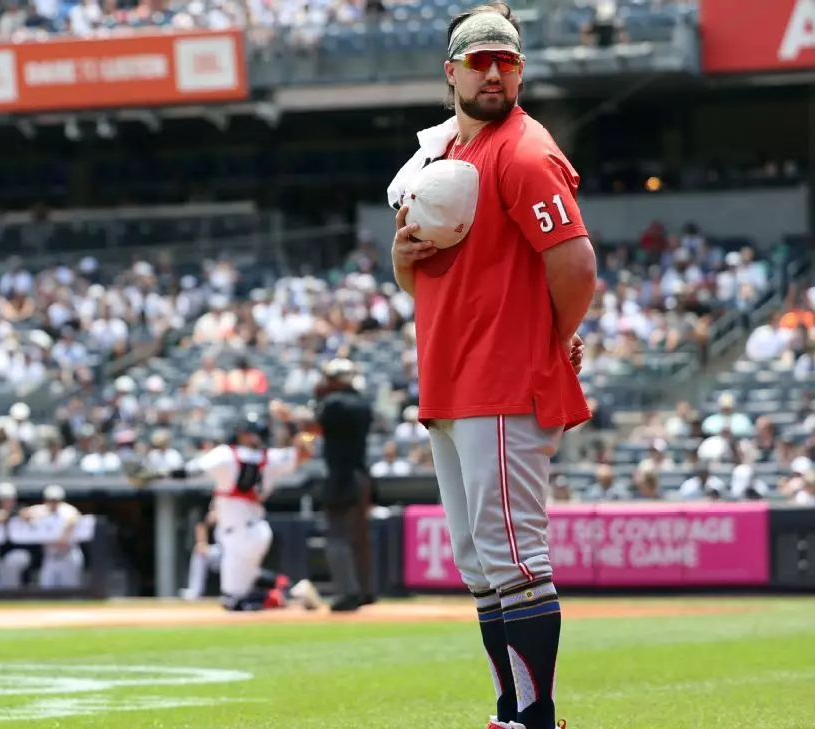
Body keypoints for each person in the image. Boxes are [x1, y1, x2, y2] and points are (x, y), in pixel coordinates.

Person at [386, 4, 595, 729]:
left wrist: (553, 336)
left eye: (506, 61)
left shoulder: (523, 151)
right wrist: (400, 260)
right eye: (480, 61)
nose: (494, 72)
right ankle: (511, 713)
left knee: (515, 560)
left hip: (502, 380)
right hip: (451, 379)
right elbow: (426, 280)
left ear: (521, 70)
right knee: (483, 568)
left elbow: (576, 263)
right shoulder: (445, 155)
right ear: (451, 72)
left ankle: (537, 720)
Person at [129, 416, 323, 612]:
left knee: (234, 601)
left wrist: (157, 474)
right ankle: (293, 588)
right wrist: (293, 426)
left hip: (238, 532)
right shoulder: (271, 458)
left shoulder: (226, 455)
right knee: (249, 577)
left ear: (248, 435)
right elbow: (305, 452)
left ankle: (287, 598)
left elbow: (190, 471)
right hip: (255, 529)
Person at [311, 358, 376, 612]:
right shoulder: (362, 403)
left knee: (337, 535)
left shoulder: (333, 404)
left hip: (340, 476)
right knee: (359, 537)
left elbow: (313, 428)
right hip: (361, 474)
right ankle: (365, 591)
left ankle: (348, 593)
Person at [180, 504, 222, 602]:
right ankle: (195, 592)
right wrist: (207, 523)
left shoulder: (231, 516)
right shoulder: (213, 523)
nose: (212, 510)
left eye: (214, 508)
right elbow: (201, 533)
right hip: (221, 555)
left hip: (235, 555)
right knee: (200, 552)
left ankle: (231, 593)